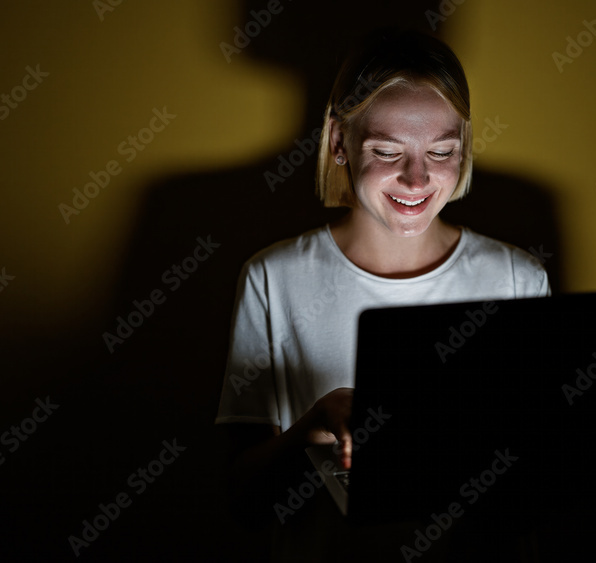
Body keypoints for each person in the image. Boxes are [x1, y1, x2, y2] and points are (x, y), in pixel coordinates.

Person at [215, 29, 550, 560]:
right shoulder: (273, 278)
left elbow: (537, 490)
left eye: (441, 151)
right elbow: (244, 501)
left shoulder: (518, 279)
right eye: (387, 151)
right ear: (337, 143)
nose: (416, 178)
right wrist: (317, 422)